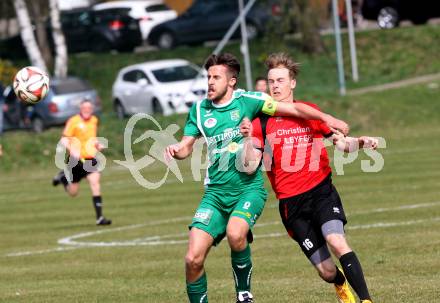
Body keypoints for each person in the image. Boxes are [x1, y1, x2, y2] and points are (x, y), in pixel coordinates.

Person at [164, 52, 349, 303]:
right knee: (192, 259)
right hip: (215, 195)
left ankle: (244, 294)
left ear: (231, 81)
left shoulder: (250, 101)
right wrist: (177, 150)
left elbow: (293, 108)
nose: (209, 82)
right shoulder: (199, 110)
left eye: (216, 77)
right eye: (208, 77)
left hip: (247, 190)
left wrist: (326, 117)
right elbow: (186, 146)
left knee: (235, 233)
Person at [239, 52, 375, 303]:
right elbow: (248, 167)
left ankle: (366, 300)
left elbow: (342, 143)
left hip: (321, 192)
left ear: (292, 83)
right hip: (292, 205)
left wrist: (361, 143)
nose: (275, 86)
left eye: (280, 80)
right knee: (326, 271)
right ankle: (339, 283)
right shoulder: (260, 123)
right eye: (271, 81)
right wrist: (247, 138)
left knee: (337, 240)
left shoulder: (309, 112)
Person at [52, 99, 111, 226]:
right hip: (75, 162)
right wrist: (72, 150)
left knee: (95, 184)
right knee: (73, 193)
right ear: (80, 108)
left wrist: (97, 145)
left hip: (90, 159)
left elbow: (91, 139)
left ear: (92, 109)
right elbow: (64, 140)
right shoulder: (73, 121)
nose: (87, 110)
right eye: (84, 107)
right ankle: (63, 178)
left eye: (89, 107)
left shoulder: (94, 120)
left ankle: (100, 218)